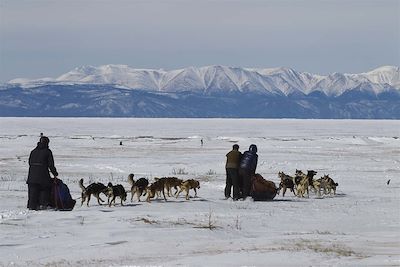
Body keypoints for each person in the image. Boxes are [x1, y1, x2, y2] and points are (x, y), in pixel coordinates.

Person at [27, 136, 58, 210]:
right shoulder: (48, 151)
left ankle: (32, 206)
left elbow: (30, 162)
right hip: (43, 176)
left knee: (33, 192)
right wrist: (55, 174)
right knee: (45, 189)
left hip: (31, 177)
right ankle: (43, 204)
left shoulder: (33, 151)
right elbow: (51, 165)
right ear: (47, 143)